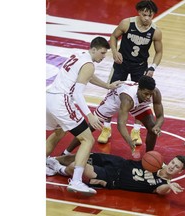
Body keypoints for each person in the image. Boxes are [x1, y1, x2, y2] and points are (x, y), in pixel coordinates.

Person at [46, 36, 123, 195]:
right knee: (88, 139)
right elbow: (78, 94)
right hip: (62, 100)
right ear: (94, 49)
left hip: (49, 97)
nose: (103, 56)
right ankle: (76, 181)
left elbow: (86, 76)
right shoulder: (89, 65)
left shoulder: (80, 55)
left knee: (59, 131)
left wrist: (107, 86)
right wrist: (90, 115)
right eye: (102, 53)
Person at [98, 0, 163, 145]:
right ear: (139, 12)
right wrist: (114, 51)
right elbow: (114, 36)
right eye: (144, 14)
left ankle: (136, 130)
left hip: (140, 66)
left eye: (150, 15)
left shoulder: (155, 31)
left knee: (140, 99)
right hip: (121, 64)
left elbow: (159, 52)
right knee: (111, 93)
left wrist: (152, 67)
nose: (147, 18)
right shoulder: (127, 23)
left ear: (153, 15)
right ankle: (106, 128)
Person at [62, 75, 164, 158]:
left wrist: (157, 126)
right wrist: (129, 140)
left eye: (150, 94)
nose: (148, 97)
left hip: (137, 102)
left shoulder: (155, 93)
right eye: (146, 94)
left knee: (152, 128)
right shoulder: (127, 99)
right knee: (91, 126)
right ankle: (66, 152)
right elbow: (121, 124)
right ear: (139, 89)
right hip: (114, 100)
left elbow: (160, 116)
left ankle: (149, 156)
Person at [46, 152, 185, 195]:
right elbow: (147, 157)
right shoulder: (158, 162)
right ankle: (51, 159)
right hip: (119, 162)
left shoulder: (163, 185)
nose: (172, 167)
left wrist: (170, 186)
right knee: (82, 155)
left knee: (77, 166)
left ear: (180, 171)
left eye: (176, 167)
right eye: (173, 163)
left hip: (113, 177)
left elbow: (160, 191)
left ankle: (58, 169)